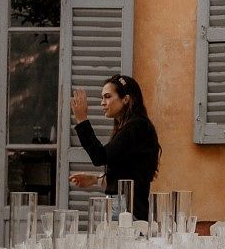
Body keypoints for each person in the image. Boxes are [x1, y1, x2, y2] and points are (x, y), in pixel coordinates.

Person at [69, 74, 161, 221]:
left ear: (126, 99)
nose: (102, 103)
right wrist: (95, 180)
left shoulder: (136, 126)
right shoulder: (133, 127)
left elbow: (99, 157)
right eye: (102, 98)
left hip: (129, 212)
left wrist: (82, 120)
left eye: (107, 96)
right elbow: (127, 175)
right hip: (126, 209)